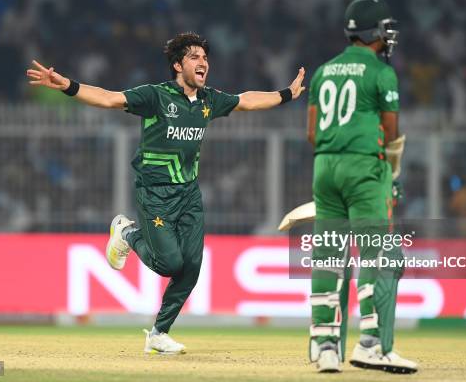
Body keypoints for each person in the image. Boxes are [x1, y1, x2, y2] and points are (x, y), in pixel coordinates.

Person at [27, 32, 305, 354]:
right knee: (171, 263)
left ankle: (158, 333)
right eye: (194, 57)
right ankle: (127, 232)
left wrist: (286, 93)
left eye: (205, 58)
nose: (203, 62)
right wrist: (68, 86)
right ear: (177, 65)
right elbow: (109, 98)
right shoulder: (156, 97)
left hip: (189, 195)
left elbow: (247, 100)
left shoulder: (208, 101)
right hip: (154, 194)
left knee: (192, 267)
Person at [305, 0, 417, 373]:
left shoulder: (323, 71)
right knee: (376, 254)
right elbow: (391, 132)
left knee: (328, 257)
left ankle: (325, 347)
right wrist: (392, 173)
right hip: (364, 167)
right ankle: (370, 343)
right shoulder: (382, 73)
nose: (388, 35)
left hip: (324, 167)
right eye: (384, 28)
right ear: (374, 32)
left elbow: (311, 133)